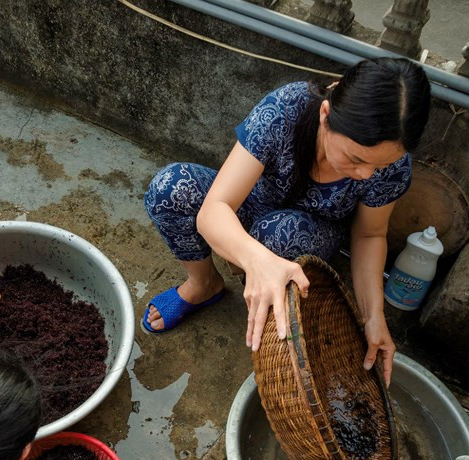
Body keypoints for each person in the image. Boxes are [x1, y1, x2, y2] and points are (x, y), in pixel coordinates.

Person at [143, 57, 432, 385]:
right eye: (355, 159)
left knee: (278, 234)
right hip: (252, 204)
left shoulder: (392, 166)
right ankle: (203, 284)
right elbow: (215, 208)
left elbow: (369, 235)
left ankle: (268, 303)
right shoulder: (285, 109)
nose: (367, 174)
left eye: (379, 166)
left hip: (306, 232)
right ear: (326, 116)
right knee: (169, 188)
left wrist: (373, 315)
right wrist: (256, 260)